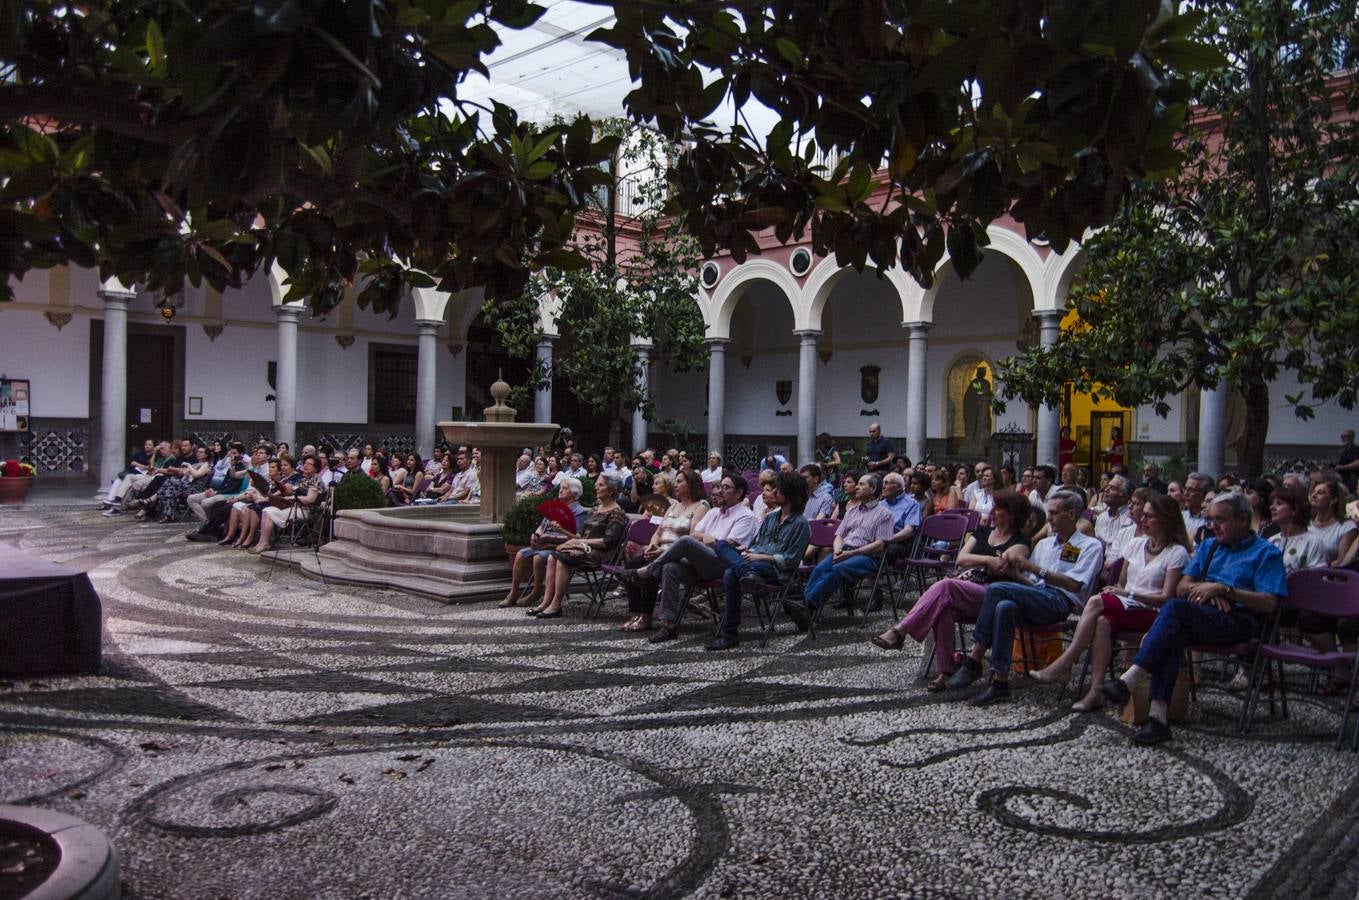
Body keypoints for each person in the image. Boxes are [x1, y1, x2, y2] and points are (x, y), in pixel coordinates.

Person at [1100, 491, 1286, 745]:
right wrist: (1208, 590)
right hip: (1205, 614)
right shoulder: (1210, 547)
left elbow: (1270, 603)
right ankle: (1157, 718)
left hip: (1241, 621)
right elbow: (1183, 586)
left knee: (1175, 610)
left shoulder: (1266, 553)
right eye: (1210, 520)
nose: (1212, 526)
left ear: (1243, 520)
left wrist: (1226, 591)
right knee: (1174, 632)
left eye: (1220, 520)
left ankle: (1130, 680)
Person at [1030, 492, 1191, 712]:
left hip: (1154, 613)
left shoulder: (1177, 553)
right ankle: (1096, 691)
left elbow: (1166, 598)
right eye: (1142, 515)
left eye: (1149, 516)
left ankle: (1065, 662)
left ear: (1165, 520)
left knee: (1096, 602)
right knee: (1103, 622)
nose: (1142, 520)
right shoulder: (1135, 544)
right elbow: (1123, 583)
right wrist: (1120, 593)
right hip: (1127, 606)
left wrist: (1127, 595)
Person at [950, 490, 1104, 706]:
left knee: (997, 590)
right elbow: (1032, 583)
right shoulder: (1044, 545)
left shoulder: (1089, 546)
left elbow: (1074, 584)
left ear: (1071, 514)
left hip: (1061, 601)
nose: (1048, 518)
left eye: (1054, 513)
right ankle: (1000, 683)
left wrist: (1033, 567)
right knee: (1004, 606)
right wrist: (1014, 573)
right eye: (1048, 512)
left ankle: (974, 660)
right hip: (1037, 596)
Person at [870, 490, 1033, 689]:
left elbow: (1002, 565)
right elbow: (961, 558)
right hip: (968, 586)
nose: (993, 511)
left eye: (999, 508)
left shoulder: (1020, 542)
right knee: (943, 609)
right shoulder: (983, 533)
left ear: (1012, 513)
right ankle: (944, 672)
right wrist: (988, 559)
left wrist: (984, 560)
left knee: (945, 586)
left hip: (995, 593)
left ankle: (900, 631)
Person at [611, 474, 760, 643]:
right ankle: (669, 625)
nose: (719, 491)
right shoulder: (713, 512)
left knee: (686, 541)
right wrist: (707, 538)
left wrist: (707, 540)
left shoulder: (745, 516)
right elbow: (697, 533)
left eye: (726, 488)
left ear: (739, 493)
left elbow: (730, 545)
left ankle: (648, 570)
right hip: (701, 561)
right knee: (670, 568)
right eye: (720, 487)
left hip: (724, 565)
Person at [703, 471, 811, 651]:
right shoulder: (770, 518)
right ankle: (748, 573)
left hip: (777, 571)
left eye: (779, 489)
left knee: (731, 573)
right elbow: (759, 544)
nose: (774, 492)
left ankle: (730, 634)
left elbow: (790, 561)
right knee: (722, 545)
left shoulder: (801, 524)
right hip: (754, 564)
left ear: (790, 494)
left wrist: (758, 556)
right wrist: (748, 551)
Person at [787, 473, 897, 629]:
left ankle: (807, 607)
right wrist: (838, 548)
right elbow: (839, 535)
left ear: (873, 489)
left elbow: (880, 545)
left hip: (868, 556)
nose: (857, 487)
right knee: (820, 568)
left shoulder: (884, 514)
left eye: (861, 484)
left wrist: (851, 553)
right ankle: (806, 612)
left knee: (836, 570)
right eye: (857, 483)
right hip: (844, 550)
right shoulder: (852, 511)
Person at [528, 473, 630, 620]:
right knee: (552, 557)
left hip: (601, 552)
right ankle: (546, 602)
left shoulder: (617, 512)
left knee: (562, 558)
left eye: (600, 485)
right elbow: (580, 535)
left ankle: (556, 605)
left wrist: (581, 543)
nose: (596, 486)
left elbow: (608, 542)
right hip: (583, 548)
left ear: (611, 491)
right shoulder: (595, 509)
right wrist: (563, 532)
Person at [618, 469, 710, 632]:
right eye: (676, 481)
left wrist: (661, 552)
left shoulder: (700, 507)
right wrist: (653, 544)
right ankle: (635, 614)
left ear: (691, 485)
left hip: (678, 555)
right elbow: (658, 532)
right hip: (659, 549)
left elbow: (691, 539)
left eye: (680, 481)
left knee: (655, 569)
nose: (676, 485)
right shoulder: (673, 507)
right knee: (632, 565)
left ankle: (645, 617)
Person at [499, 477, 587, 608]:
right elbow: (542, 525)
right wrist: (537, 534)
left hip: (559, 545)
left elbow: (576, 537)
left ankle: (536, 591)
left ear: (574, 493)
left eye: (564, 488)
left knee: (538, 558)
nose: (560, 490)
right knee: (520, 554)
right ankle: (513, 592)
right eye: (561, 487)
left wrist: (552, 537)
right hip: (543, 542)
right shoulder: (556, 507)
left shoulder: (579, 511)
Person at [1308, 477, 1356, 565]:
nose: (1314, 495)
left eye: (1320, 493)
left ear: (1333, 500)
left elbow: (1341, 562)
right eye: (1313, 492)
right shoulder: (1305, 524)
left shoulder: (1346, 527)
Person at [1180, 472, 1212, 544]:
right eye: (1185, 488)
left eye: (1191, 490)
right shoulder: (1181, 516)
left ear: (1203, 494)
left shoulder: (1209, 520)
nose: (1185, 493)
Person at [1336, 429, 1359, 495]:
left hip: (1349, 480)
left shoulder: (1355, 449)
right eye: (1342, 436)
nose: (1343, 438)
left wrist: (1342, 467)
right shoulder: (1344, 451)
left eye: (1345, 436)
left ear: (1352, 437)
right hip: (1342, 478)